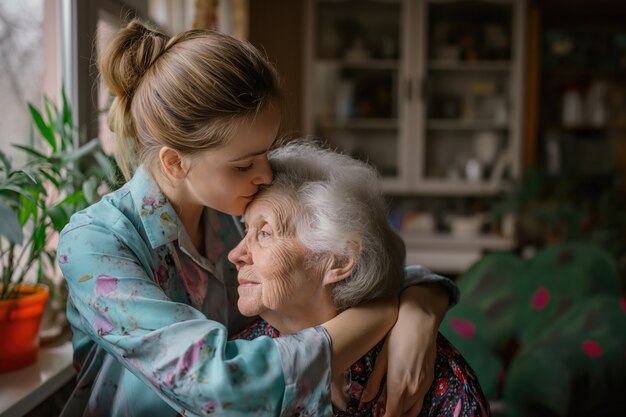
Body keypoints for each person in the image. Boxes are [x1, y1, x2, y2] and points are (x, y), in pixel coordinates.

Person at [56, 18, 459, 416]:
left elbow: (362, 262)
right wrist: (380, 314)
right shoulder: (96, 243)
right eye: (244, 164)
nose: (265, 175)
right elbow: (220, 385)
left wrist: (420, 306)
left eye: (266, 153)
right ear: (175, 163)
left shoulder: (240, 214)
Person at [229, 140, 489, 417]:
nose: (235, 254)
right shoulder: (235, 364)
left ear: (339, 261)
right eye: (246, 231)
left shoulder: (435, 378)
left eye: (265, 233)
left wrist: (421, 304)